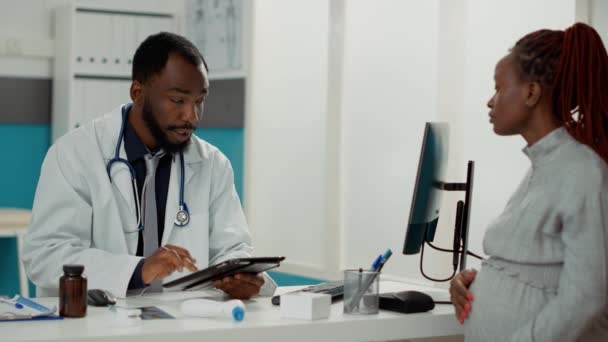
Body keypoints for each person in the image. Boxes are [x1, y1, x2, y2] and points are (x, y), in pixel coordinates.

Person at [22, 32, 276, 299]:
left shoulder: (212, 164)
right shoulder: (74, 154)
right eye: (178, 100)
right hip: (93, 324)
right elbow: (46, 255)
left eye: (199, 101)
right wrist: (136, 271)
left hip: (184, 322)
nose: (191, 116)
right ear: (138, 93)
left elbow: (233, 247)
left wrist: (243, 277)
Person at [449, 22, 608, 341]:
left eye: (498, 87)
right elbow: (538, 269)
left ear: (532, 92)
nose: (490, 102)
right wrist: (472, 281)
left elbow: (588, 297)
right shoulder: (546, 165)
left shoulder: (582, 171)